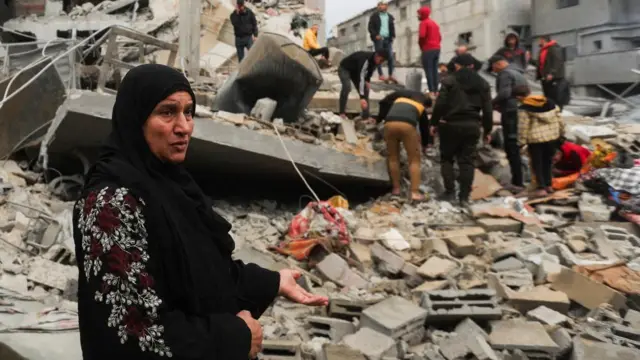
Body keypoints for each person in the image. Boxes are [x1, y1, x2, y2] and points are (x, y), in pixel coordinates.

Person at [72, 64, 328, 360]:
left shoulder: (171, 186)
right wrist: (235, 337)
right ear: (135, 120)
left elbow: (206, 274)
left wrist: (273, 281)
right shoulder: (111, 203)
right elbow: (130, 333)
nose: (184, 126)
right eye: (167, 112)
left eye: (189, 112)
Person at [430, 54, 493, 207]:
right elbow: (488, 109)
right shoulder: (483, 83)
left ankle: (449, 192)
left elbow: (440, 104)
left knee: (447, 159)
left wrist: (434, 123)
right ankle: (464, 197)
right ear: (472, 66)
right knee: (467, 162)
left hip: (450, 125)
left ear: (458, 65)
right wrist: (488, 130)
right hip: (472, 126)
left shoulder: (449, 80)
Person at [378, 91, 432, 201]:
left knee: (393, 158)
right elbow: (424, 129)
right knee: (414, 160)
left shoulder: (399, 100)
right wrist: (425, 145)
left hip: (389, 124)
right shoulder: (420, 107)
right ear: (425, 104)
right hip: (407, 126)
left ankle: (396, 190)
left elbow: (386, 109)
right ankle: (415, 193)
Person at [513, 85, 564, 197]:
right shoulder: (550, 102)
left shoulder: (524, 108)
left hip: (536, 139)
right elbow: (560, 120)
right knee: (548, 162)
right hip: (552, 137)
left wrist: (521, 142)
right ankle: (549, 185)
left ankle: (541, 188)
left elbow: (523, 127)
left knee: (537, 164)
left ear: (518, 97)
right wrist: (562, 134)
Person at [490, 54, 528, 192]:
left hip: (510, 113)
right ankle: (521, 180)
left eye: (493, 67)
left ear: (499, 63)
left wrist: (491, 104)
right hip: (519, 112)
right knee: (516, 146)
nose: (493, 70)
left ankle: (517, 183)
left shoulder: (505, 74)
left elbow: (504, 94)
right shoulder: (519, 73)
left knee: (511, 147)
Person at [338, 50, 387, 120]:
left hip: (355, 71)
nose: (381, 63)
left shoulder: (375, 61)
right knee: (347, 87)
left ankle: (365, 116)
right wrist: (362, 97)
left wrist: (367, 81)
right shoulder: (365, 59)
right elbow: (360, 76)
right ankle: (342, 113)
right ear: (377, 56)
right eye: (381, 60)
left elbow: (370, 71)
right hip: (344, 68)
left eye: (383, 61)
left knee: (365, 89)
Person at [368, 1, 396, 83]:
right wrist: (375, 35)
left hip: (388, 39)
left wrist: (393, 36)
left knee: (390, 56)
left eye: (381, 5)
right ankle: (381, 75)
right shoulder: (374, 16)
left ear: (386, 6)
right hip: (379, 39)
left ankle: (390, 75)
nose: (380, 6)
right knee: (378, 57)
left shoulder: (390, 17)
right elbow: (370, 27)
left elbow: (392, 27)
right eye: (378, 5)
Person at [536, 35, 567, 110]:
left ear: (543, 40)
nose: (538, 42)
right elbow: (541, 64)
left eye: (540, 40)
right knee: (548, 96)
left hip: (554, 77)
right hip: (545, 77)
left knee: (555, 96)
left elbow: (557, 61)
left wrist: (551, 73)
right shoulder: (543, 50)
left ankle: (557, 111)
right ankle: (550, 111)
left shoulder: (554, 48)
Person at [418, 5, 441, 95]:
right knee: (435, 70)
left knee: (428, 70)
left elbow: (422, 36)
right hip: (437, 49)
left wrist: (422, 46)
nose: (418, 16)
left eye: (419, 14)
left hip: (428, 49)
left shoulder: (423, 23)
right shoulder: (434, 23)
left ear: (423, 14)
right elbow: (439, 37)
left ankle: (431, 91)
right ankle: (436, 90)